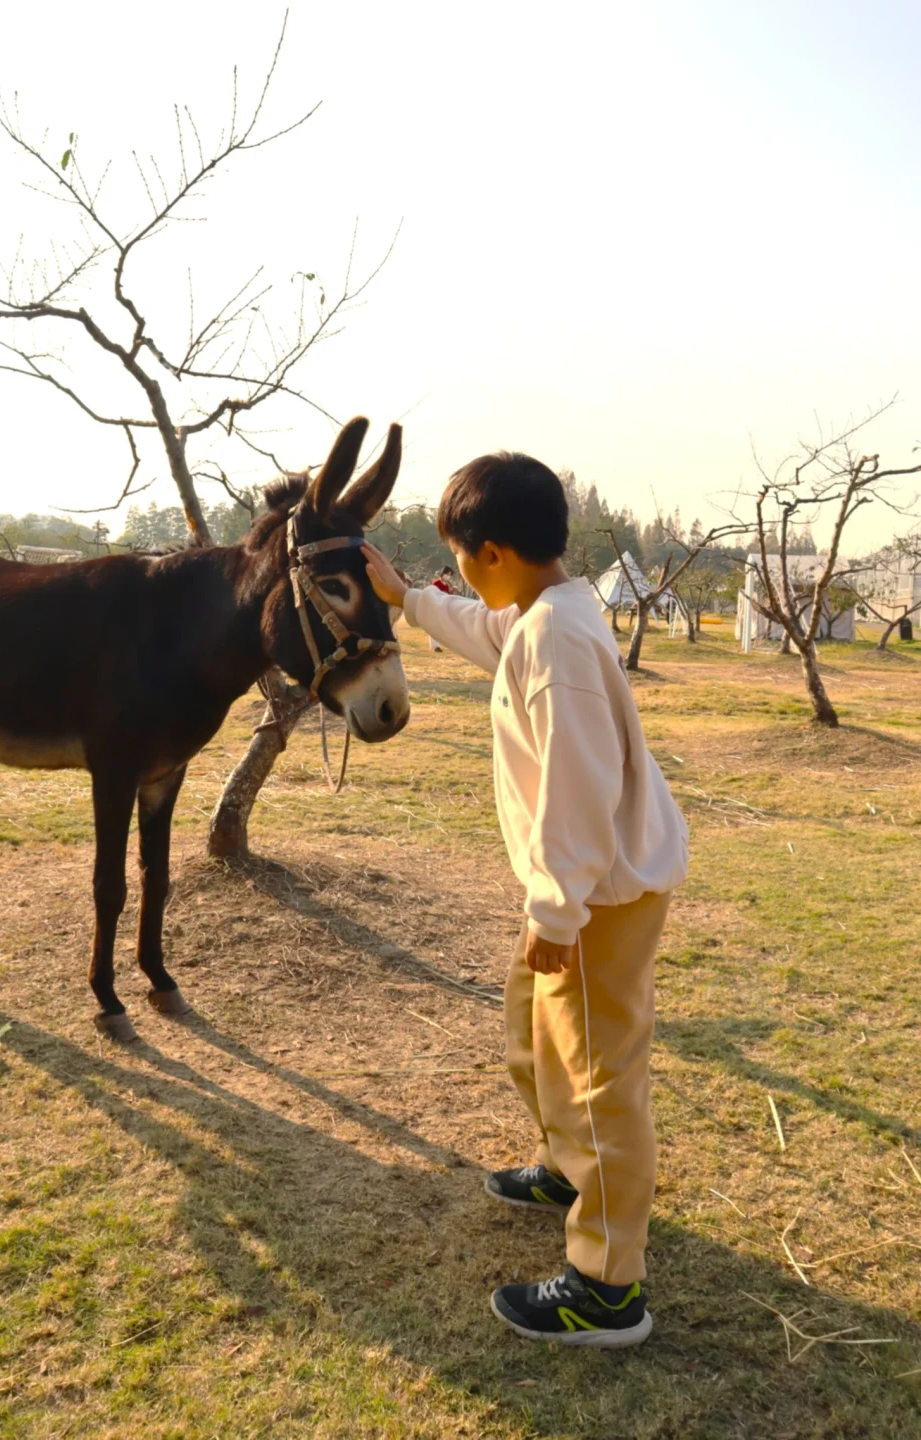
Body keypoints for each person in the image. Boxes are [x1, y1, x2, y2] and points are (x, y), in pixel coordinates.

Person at [363, 453, 688, 1348]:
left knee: (599, 1080)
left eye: (457, 554)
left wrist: (555, 916)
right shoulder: (549, 613)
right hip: (584, 889)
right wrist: (409, 600)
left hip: (596, 894)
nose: (457, 569)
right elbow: (486, 632)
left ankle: (607, 1287)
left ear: (494, 552)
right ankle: (563, 1166)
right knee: (534, 1033)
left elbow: (576, 794)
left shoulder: (558, 646)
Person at [427, 566, 456, 651]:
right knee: (434, 627)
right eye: (447, 574)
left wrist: (452, 592)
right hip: (435, 606)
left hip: (442, 608)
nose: (448, 576)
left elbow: (446, 596)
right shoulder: (436, 583)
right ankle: (434, 646)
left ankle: (438, 645)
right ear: (443, 573)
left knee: (440, 627)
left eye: (450, 575)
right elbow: (433, 594)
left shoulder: (446, 585)